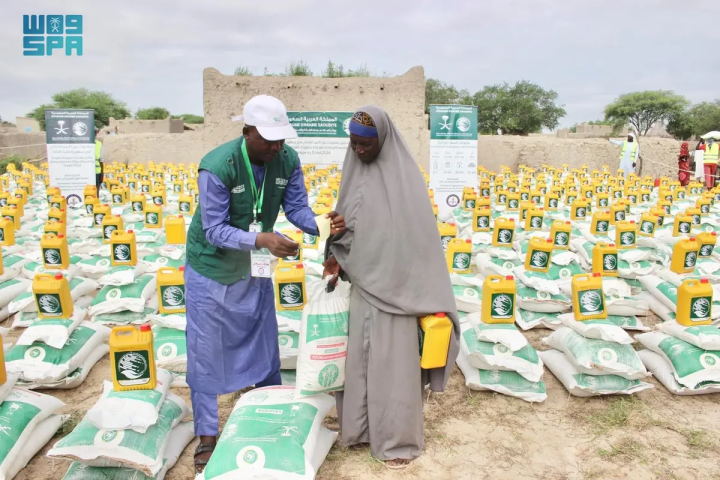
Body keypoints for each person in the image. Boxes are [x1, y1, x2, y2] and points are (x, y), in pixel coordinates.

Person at [184, 95, 345, 474]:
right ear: (247, 132)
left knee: (262, 337)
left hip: (253, 268)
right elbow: (213, 229)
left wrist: (320, 223)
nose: (276, 146)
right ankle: (207, 434)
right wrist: (263, 240)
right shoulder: (217, 166)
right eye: (268, 139)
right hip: (212, 268)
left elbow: (296, 207)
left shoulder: (286, 160)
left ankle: (266, 412)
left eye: (281, 139)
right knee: (206, 349)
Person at [322, 106, 460, 469]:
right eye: (352, 143)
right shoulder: (353, 173)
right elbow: (348, 229)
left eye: (365, 144)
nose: (358, 151)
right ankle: (359, 429)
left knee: (394, 368)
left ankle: (397, 440)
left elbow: (415, 240)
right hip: (363, 288)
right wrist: (335, 236)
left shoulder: (405, 179)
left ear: (382, 140)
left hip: (397, 293)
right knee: (360, 363)